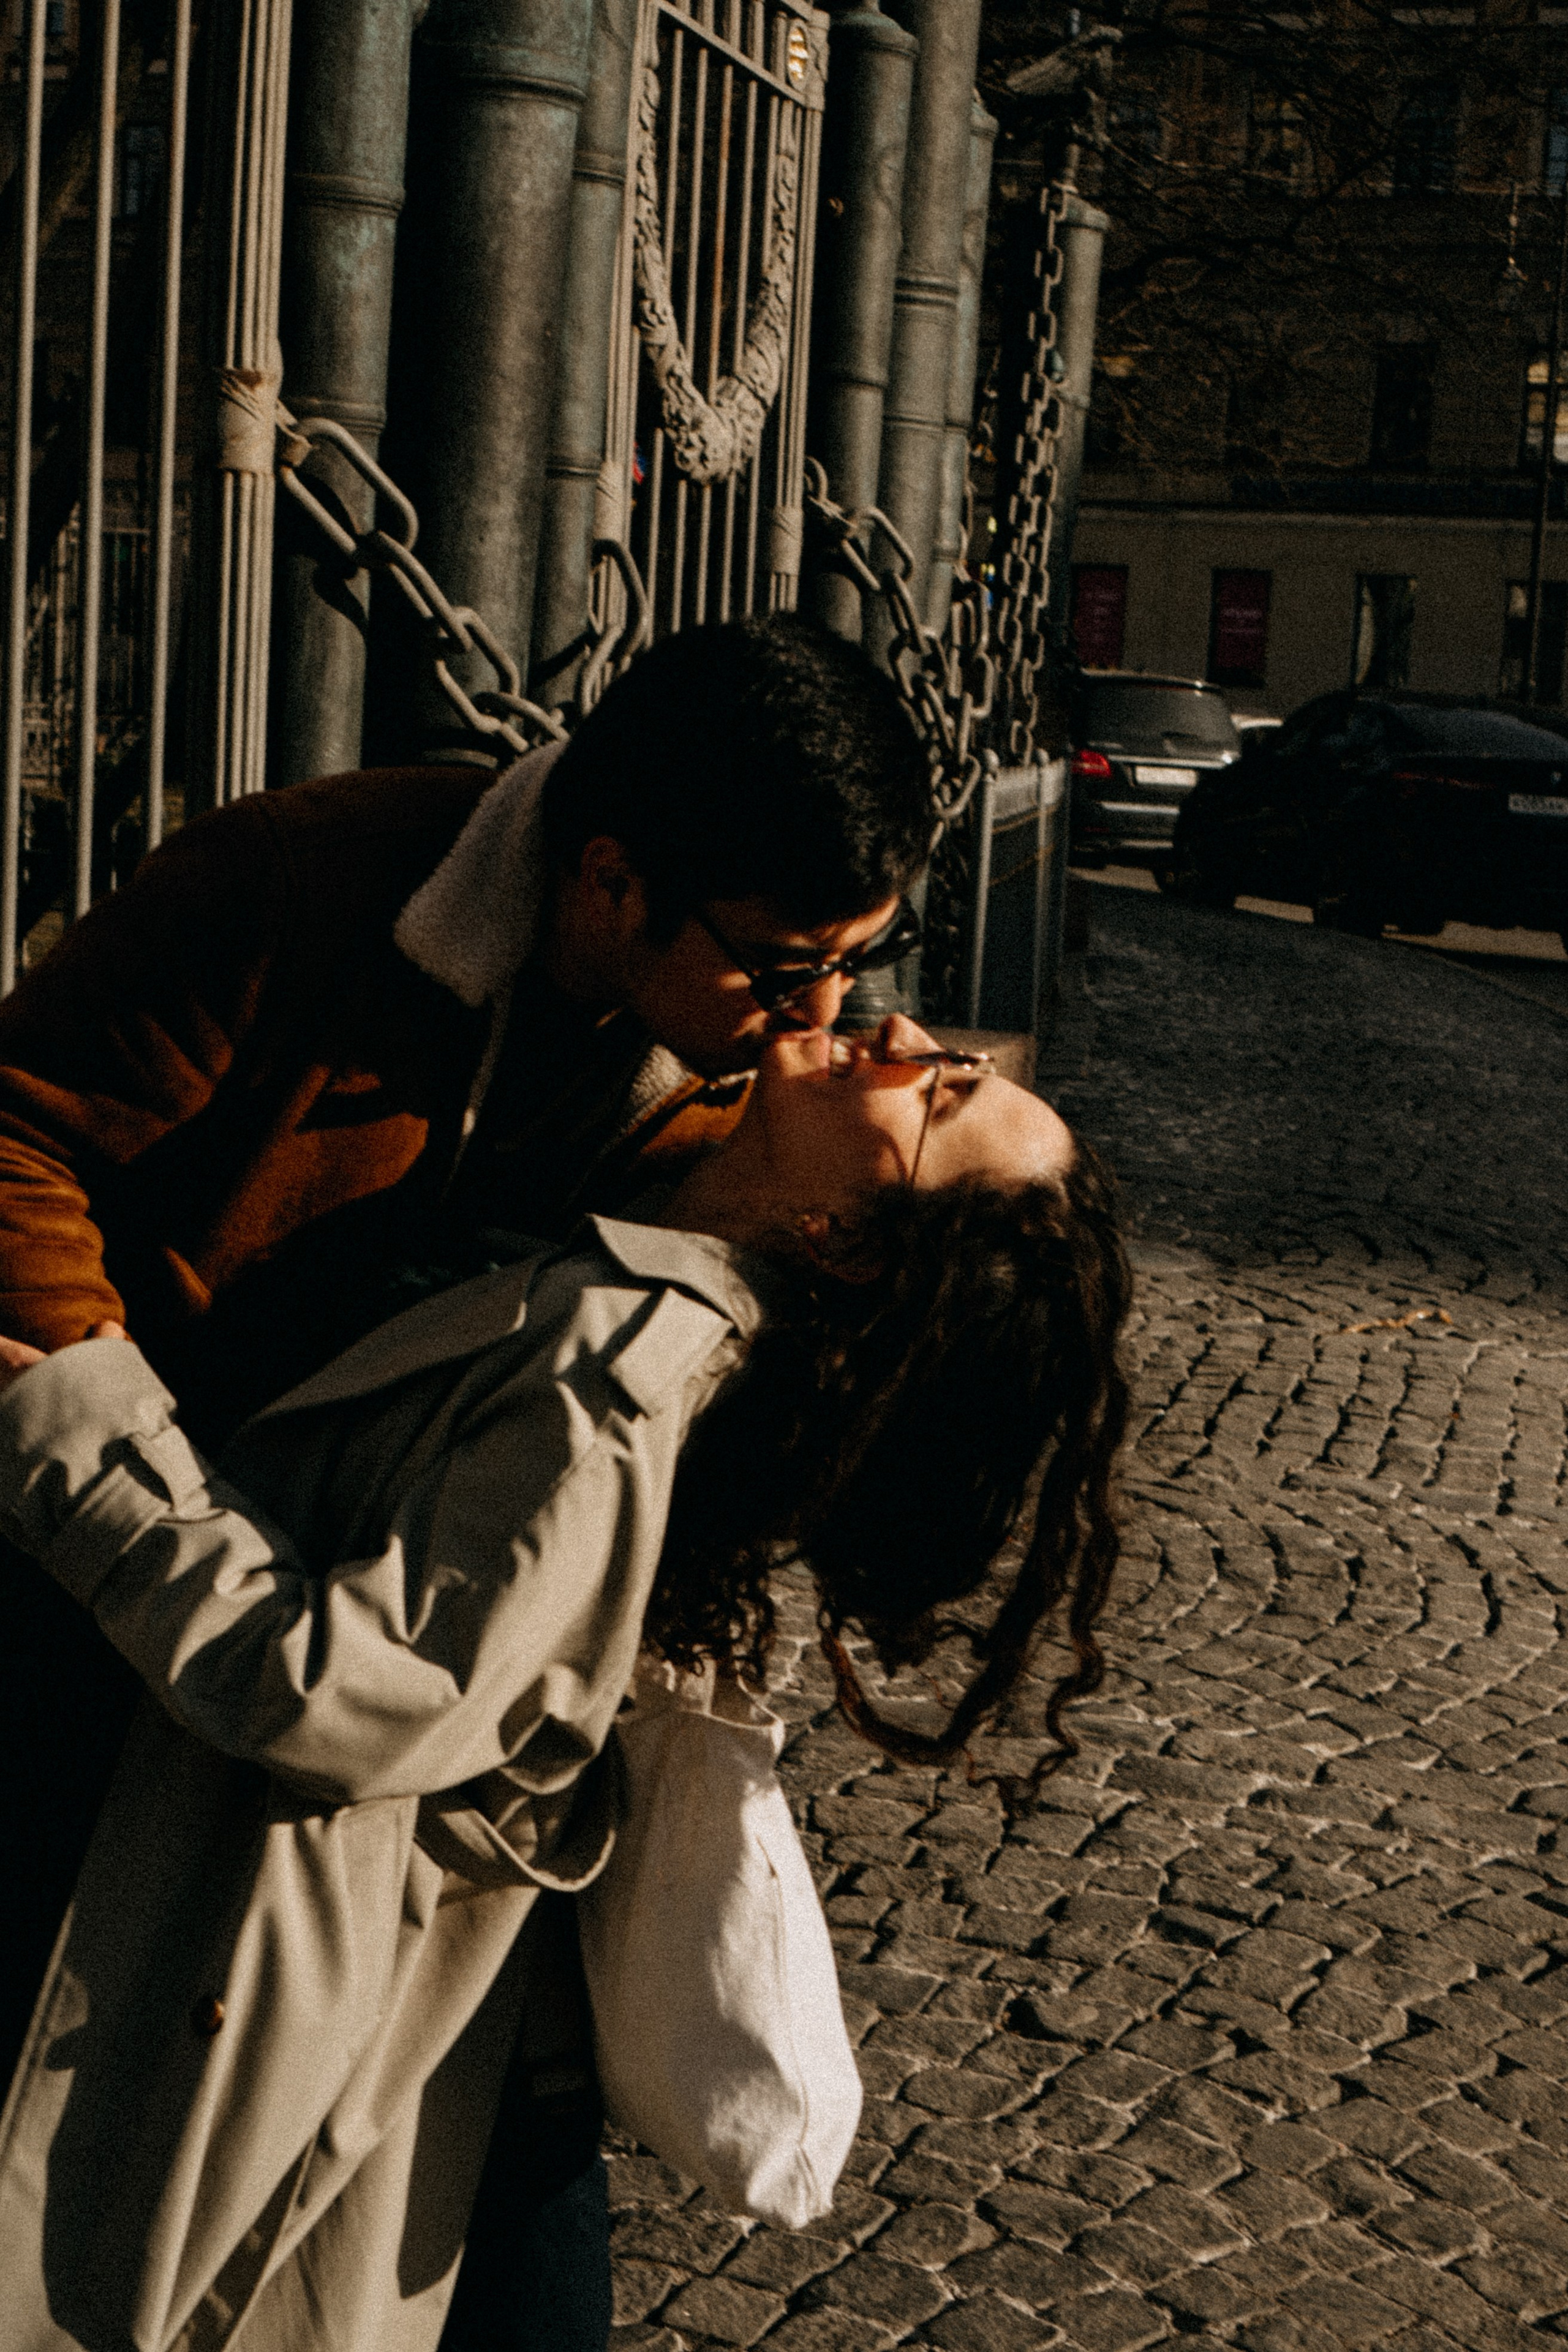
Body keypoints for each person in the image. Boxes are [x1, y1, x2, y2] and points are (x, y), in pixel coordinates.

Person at [0, 614, 935, 2250]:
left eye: (855, 961)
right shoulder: (299, 888)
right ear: (607, 879)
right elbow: (17, 1133)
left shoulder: (735, 1077)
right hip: (100, 1606)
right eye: (787, 968)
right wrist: (97, 1417)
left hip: (402, 1706)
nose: (822, 1017)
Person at [0, 1018, 1130, 2352]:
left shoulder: (620, 1372)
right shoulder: (633, 1250)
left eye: (939, 1095)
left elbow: (341, 1696)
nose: (902, 1035)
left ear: (838, 1235)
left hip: (244, 1943)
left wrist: (77, 1421)